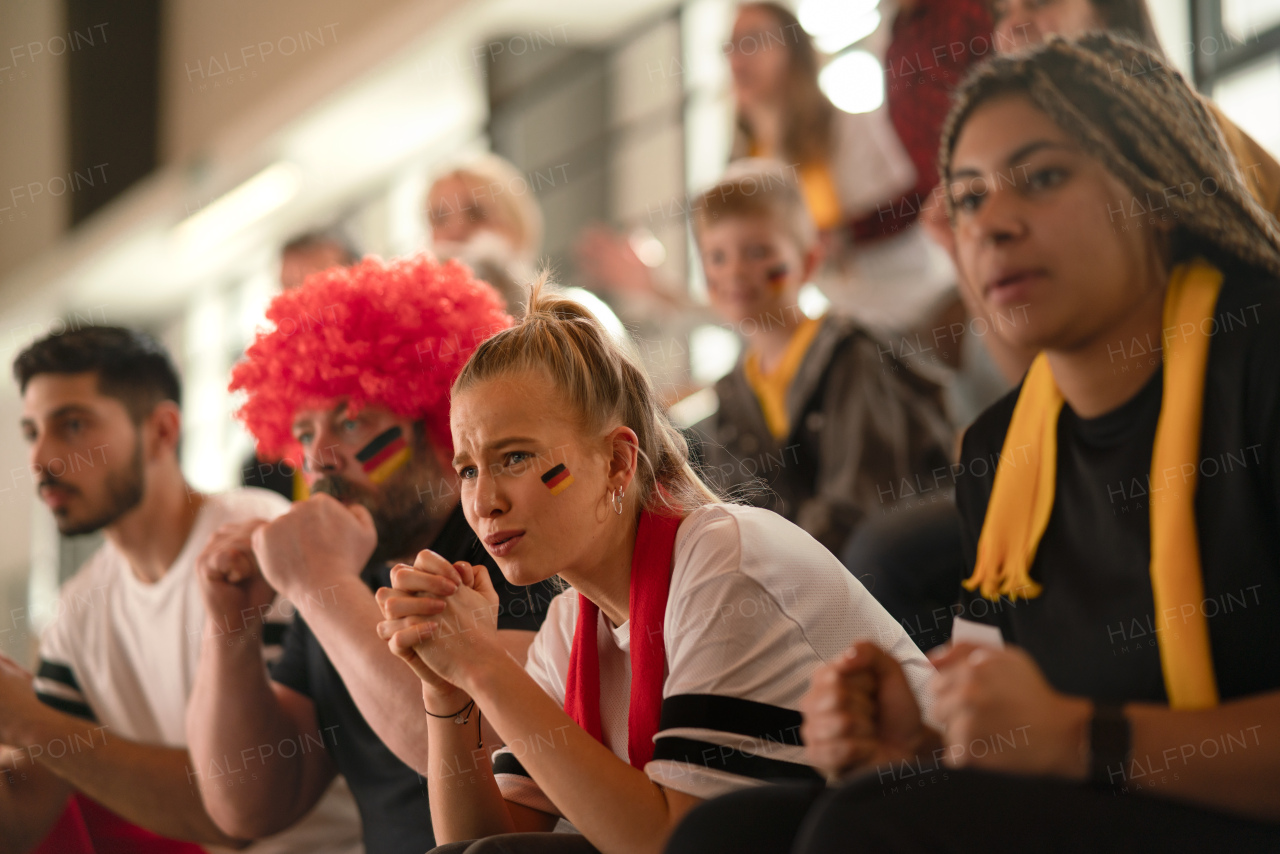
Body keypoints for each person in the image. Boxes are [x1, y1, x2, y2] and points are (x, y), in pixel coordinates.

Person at [666, 33, 1280, 852]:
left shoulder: (1262, 361)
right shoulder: (1001, 448)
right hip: (1096, 805)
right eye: (968, 197)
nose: (992, 223)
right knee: (725, 836)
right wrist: (911, 745)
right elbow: (1008, 735)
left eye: (1045, 178)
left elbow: (1064, 739)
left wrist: (1083, 739)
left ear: (1155, 188)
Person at [372, 279, 937, 854]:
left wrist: (485, 666)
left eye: (515, 457)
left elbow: (675, 844)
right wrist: (449, 692)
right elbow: (479, 842)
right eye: (468, 470)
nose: (484, 500)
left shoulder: (725, 564)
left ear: (618, 460)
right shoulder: (570, 624)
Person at [186, 254, 558, 854]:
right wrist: (231, 627)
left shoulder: (511, 544)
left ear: (439, 421)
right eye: (304, 434)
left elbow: (489, 757)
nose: (320, 458)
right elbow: (248, 805)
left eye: (352, 423)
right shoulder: (342, 578)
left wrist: (318, 583)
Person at [0, 326, 360, 854]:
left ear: (162, 432)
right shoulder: (78, 607)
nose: (41, 459)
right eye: (32, 433)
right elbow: (25, 816)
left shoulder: (261, 542)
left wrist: (28, 721)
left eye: (72, 425)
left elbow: (237, 813)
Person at [687, 160, 954, 559]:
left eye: (757, 252)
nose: (735, 272)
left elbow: (858, 505)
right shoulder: (732, 392)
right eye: (717, 257)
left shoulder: (851, 356)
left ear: (809, 261)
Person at [243, 229, 361, 502]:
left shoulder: (402, 419)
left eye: (318, 288)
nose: (300, 307)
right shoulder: (263, 468)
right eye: (289, 289)